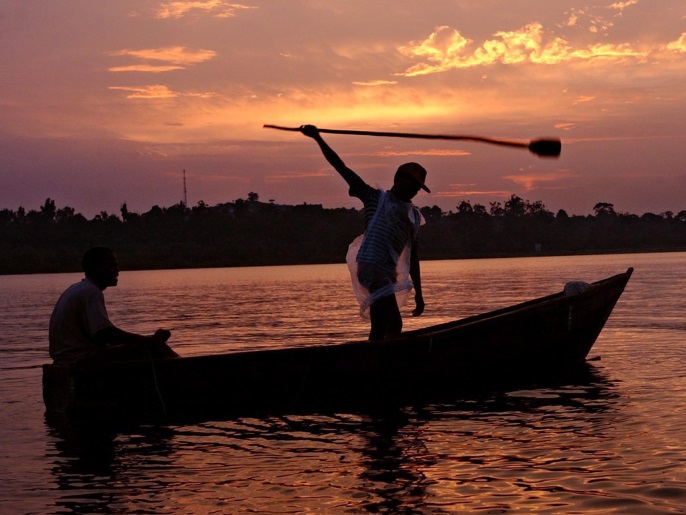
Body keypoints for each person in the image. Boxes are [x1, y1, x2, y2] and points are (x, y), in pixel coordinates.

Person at [300, 124, 428, 340]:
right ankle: (384, 366)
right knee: (394, 323)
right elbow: (341, 168)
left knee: (379, 324)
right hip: (371, 266)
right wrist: (317, 138)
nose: (416, 189)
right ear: (399, 180)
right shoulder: (375, 198)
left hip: (387, 273)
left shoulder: (413, 217)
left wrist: (420, 295)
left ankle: (370, 362)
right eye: (413, 184)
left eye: (419, 186)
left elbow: (413, 256)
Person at [49, 246, 178, 367]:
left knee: (147, 346)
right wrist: (151, 342)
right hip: (79, 360)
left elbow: (103, 336)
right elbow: (105, 334)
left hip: (69, 359)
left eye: (116, 265)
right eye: (111, 265)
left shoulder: (77, 289)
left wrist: (146, 340)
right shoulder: (91, 292)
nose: (117, 270)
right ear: (95, 268)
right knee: (157, 348)